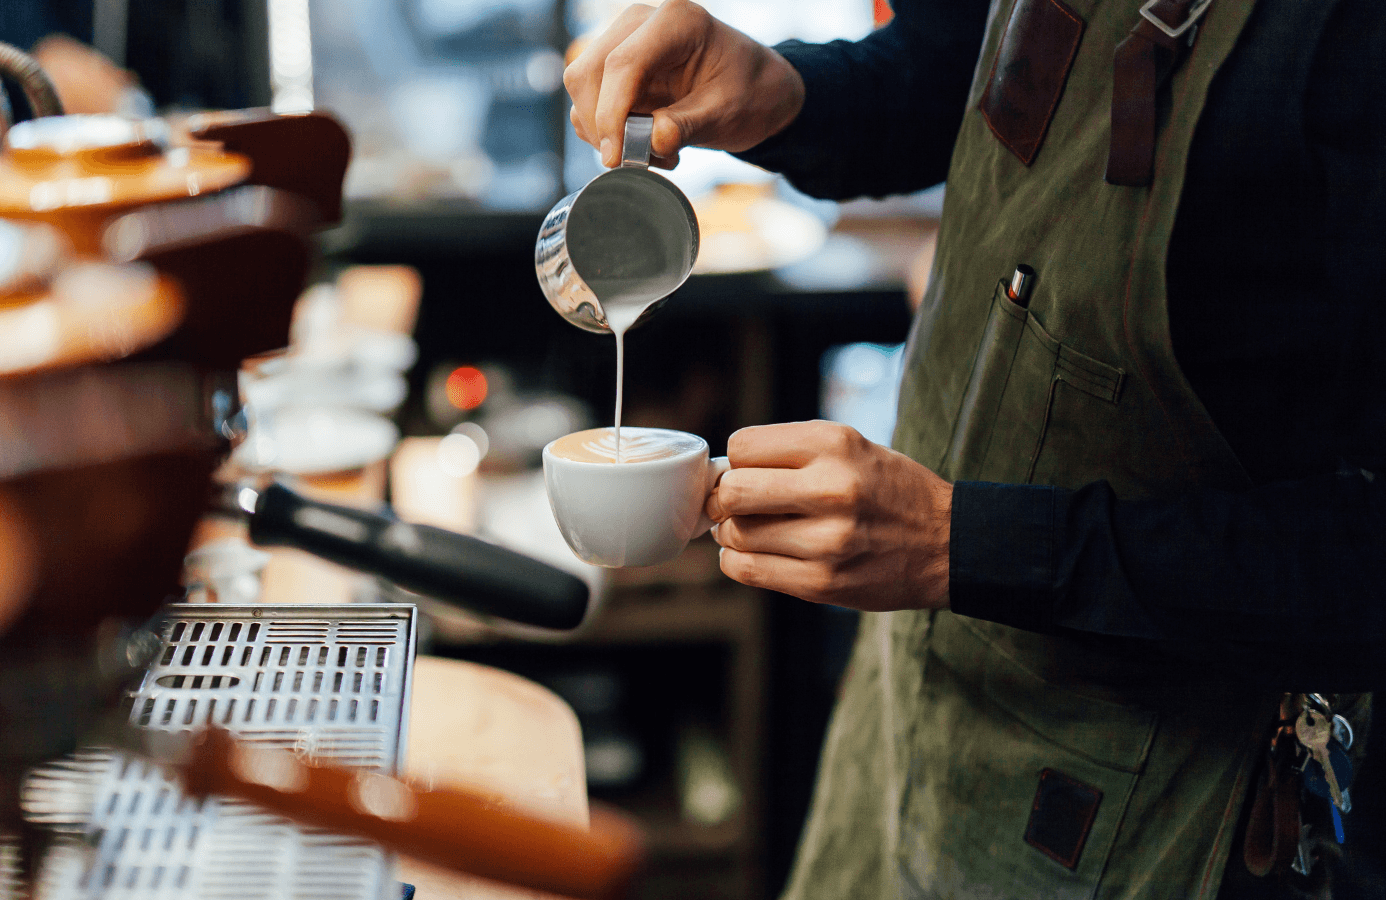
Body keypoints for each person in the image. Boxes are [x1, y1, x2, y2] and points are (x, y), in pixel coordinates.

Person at [563, 0, 1386, 897]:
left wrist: (966, 543)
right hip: (917, 695)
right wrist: (792, 92)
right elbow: (969, 68)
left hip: (1164, 796)